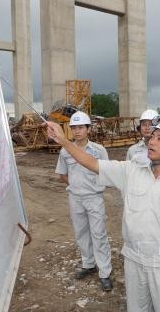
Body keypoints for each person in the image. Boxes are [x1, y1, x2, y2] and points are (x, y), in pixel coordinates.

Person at [48, 117, 160, 311]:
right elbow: (93, 163)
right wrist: (63, 141)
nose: (152, 141)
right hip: (133, 258)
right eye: (153, 136)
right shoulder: (131, 171)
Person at [54, 111, 113, 291]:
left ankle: (105, 272)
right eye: (74, 128)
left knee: (99, 234)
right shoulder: (65, 151)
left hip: (94, 198)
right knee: (81, 233)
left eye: (81, 127)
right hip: (75, 198)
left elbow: (107, 173)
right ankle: (88, 264)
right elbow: (63, 174)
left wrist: (90, 187)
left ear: (88, 129)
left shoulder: (98, 150)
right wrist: (76, 185)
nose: (77, 131)